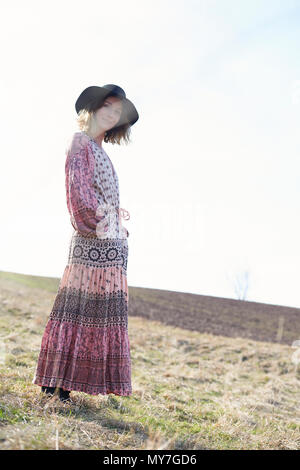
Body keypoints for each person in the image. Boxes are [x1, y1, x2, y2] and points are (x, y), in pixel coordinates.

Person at [32, 84, 139, 403]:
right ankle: (55, 385)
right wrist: (101, 224)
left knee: (96, 313)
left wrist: (118, 232)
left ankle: (66, 384)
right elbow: (78, 192)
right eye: (108, 105)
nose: (112, 113)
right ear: (92, 108)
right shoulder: (79, 142)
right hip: (92, 239)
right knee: (77, 309)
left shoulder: (103, 152)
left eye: (117, 111)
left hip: (110, 243)